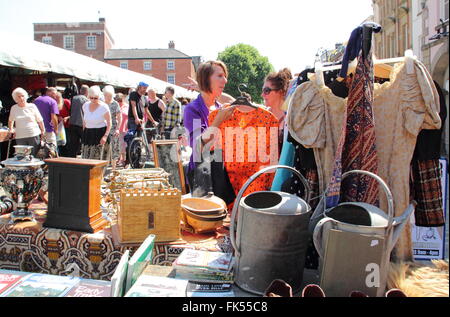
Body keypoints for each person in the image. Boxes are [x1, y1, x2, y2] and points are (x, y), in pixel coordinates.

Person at [183, 60, 235, 180]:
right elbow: (197, 147)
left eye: (225, 76)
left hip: (221, 173)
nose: (225, 80)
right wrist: (218, 121)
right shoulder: (193, 109)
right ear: (207, 78)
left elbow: (237, 102)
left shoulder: (219, 107)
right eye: (220, 76)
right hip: (202, 176)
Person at [8, 87, 45, 157]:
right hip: (20, 136)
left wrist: (43, 131)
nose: (21, 98)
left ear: (26, 96)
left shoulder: (32, 106)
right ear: (15, 98)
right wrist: (11, 129)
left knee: (34, 156)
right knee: (21, 157)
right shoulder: (14, 108)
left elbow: (40, 120)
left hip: (33, 134)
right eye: (19, 96)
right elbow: (10, 120)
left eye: (23, 96)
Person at [261, 68, 293, 147]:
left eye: (266, 90)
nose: (262, 95)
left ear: (280, 92)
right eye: (262, 91)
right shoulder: (262, 116)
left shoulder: (290, 119)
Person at [81, 86, 111, 160]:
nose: (93, 100)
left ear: (99, 96)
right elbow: (84, 121)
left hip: (100, 133)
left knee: (98, 158)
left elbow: (109, 122)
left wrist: (105, 136)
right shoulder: (85, 105)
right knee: (86, 157)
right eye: (91, 98)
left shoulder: (104, 107)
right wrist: (84, 132)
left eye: (96, 98)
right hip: (88, 133)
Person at [67, 84, 89, 157]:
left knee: (73, 143)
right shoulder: (87, 101)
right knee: (85, 142)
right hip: (82, 124)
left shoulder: (73, 98)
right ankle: (85, 157)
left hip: (72, 123)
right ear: (87, 92)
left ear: (80, 91)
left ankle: (71, 159)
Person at [103, 85, 121, 169]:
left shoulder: (115, 103)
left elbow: (119, 117)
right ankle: (103, 168)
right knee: (104, 148)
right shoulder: (102, 103)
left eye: (110, 96)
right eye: (106, 95)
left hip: (113, 128)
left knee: (114, 148)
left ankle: (113, 169)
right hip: (103, 127)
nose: (108, 97)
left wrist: (118, 129)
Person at [55, 91, 71, 156]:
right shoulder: (54, 103)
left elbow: (73, 113)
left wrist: (67, 118)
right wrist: (58, 117)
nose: (57, 100)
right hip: (58, 127)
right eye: (56, 98)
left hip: (67, 126)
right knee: (60, 142)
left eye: (58, 98)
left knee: (67, 142)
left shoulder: (66, 102)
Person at [115, 93, 128, 166]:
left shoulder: (127, 106)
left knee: (123, 145)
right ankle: (120, 159)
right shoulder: (115, 106)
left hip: (125, 127)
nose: (119, 102)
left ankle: (123, 159)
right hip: (117, 128)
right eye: (118, 100)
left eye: (120, 100)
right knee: (119, 145)